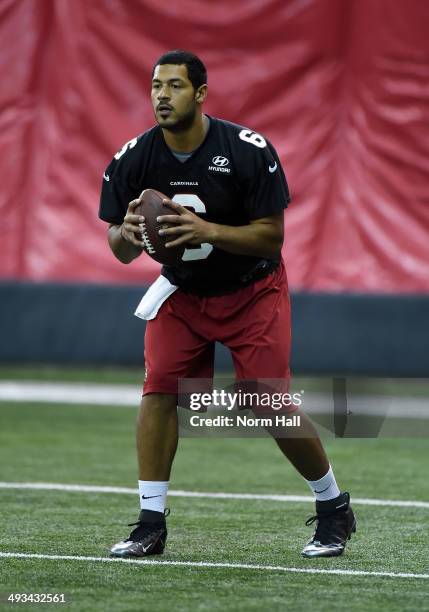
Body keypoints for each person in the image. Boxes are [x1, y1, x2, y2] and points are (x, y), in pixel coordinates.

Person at [99, 50, 356, 559]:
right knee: (158, 393)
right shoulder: (134, 157)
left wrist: (208, 230)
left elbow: (271, 239)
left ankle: (333, 508)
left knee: (267, 403)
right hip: (183, 291)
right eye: (155, 86)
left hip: (251, 290)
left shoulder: (245, 149)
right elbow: (120, 247)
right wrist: (126, 235)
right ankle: (150, 523)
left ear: (200, 93)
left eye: (174, 86)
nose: (161, 96)